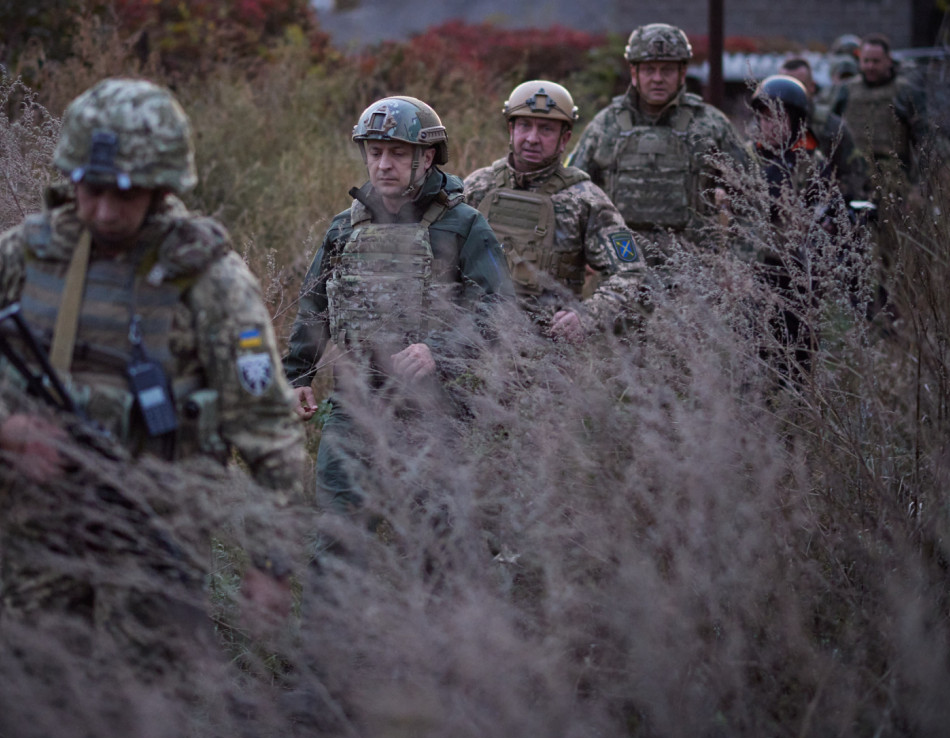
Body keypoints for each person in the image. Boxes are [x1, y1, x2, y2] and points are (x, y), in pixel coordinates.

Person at [0, 78, 304, 683]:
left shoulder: (209, 277)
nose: (103, 210)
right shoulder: (22, 256)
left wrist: (272, 560)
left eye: (125, 193)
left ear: (163, 185)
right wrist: (3, 428)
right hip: (42, 530)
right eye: (91, 190)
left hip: (156, 539)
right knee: (36, 706)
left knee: (138, 716)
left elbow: (266, 423)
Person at [283, 95, 512, 511]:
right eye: (375, 152)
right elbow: (314, 306)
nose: (383, 164)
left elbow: (499, 309)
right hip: (354, 409)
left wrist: (438, 350)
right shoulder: (344, 228)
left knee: (436, 551)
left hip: (435, 414)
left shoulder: (464, 226)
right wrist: (297, 376)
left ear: (426, 158)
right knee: (339, 548)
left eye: (397, 153)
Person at [462, 80, 648, 340]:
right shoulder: (477, 186)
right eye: (525, 125)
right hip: (473, 341)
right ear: (511, 129)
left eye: (546, 129)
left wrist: (588, 315)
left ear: (565, 139)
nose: (532, 138)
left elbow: (631, 270)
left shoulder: (585, 199)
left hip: (547, 347)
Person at [566, 23, 749, 268]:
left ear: (682, 73)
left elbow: (750, 199)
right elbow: (572, 194)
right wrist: (583, 254)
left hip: (694, 270)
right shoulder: (606, 125)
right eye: (649, 69)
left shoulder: (710, 125)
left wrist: (738, 265)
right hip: (622, 268)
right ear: (634, 73)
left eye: (667, 70)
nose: (657, 79)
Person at [745, 74, 845, 385]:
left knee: (797, 363)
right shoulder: (745, 159)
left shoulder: (811, 165)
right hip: (751, 275)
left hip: (796, 279)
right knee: (751, 359)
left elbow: (830, 218)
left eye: (778, 117)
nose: (769, 125)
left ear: (796, 120)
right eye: (763, 117)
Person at [831, 33, 932, 192]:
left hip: (893, 178)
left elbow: (924, 139)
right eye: (866, 61)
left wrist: (920, 186)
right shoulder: (846, 90)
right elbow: (832, 131)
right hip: (853, 177)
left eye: (876, 61)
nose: (870, 66)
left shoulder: (905, 91)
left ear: (888, 61)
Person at [780, 57, 869, 202]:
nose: (791, 92)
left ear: (812, 87)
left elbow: (854, 173)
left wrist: (834, 202)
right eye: (785, 86)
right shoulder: (763, 125)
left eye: (799, 85)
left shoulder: (831, 126)